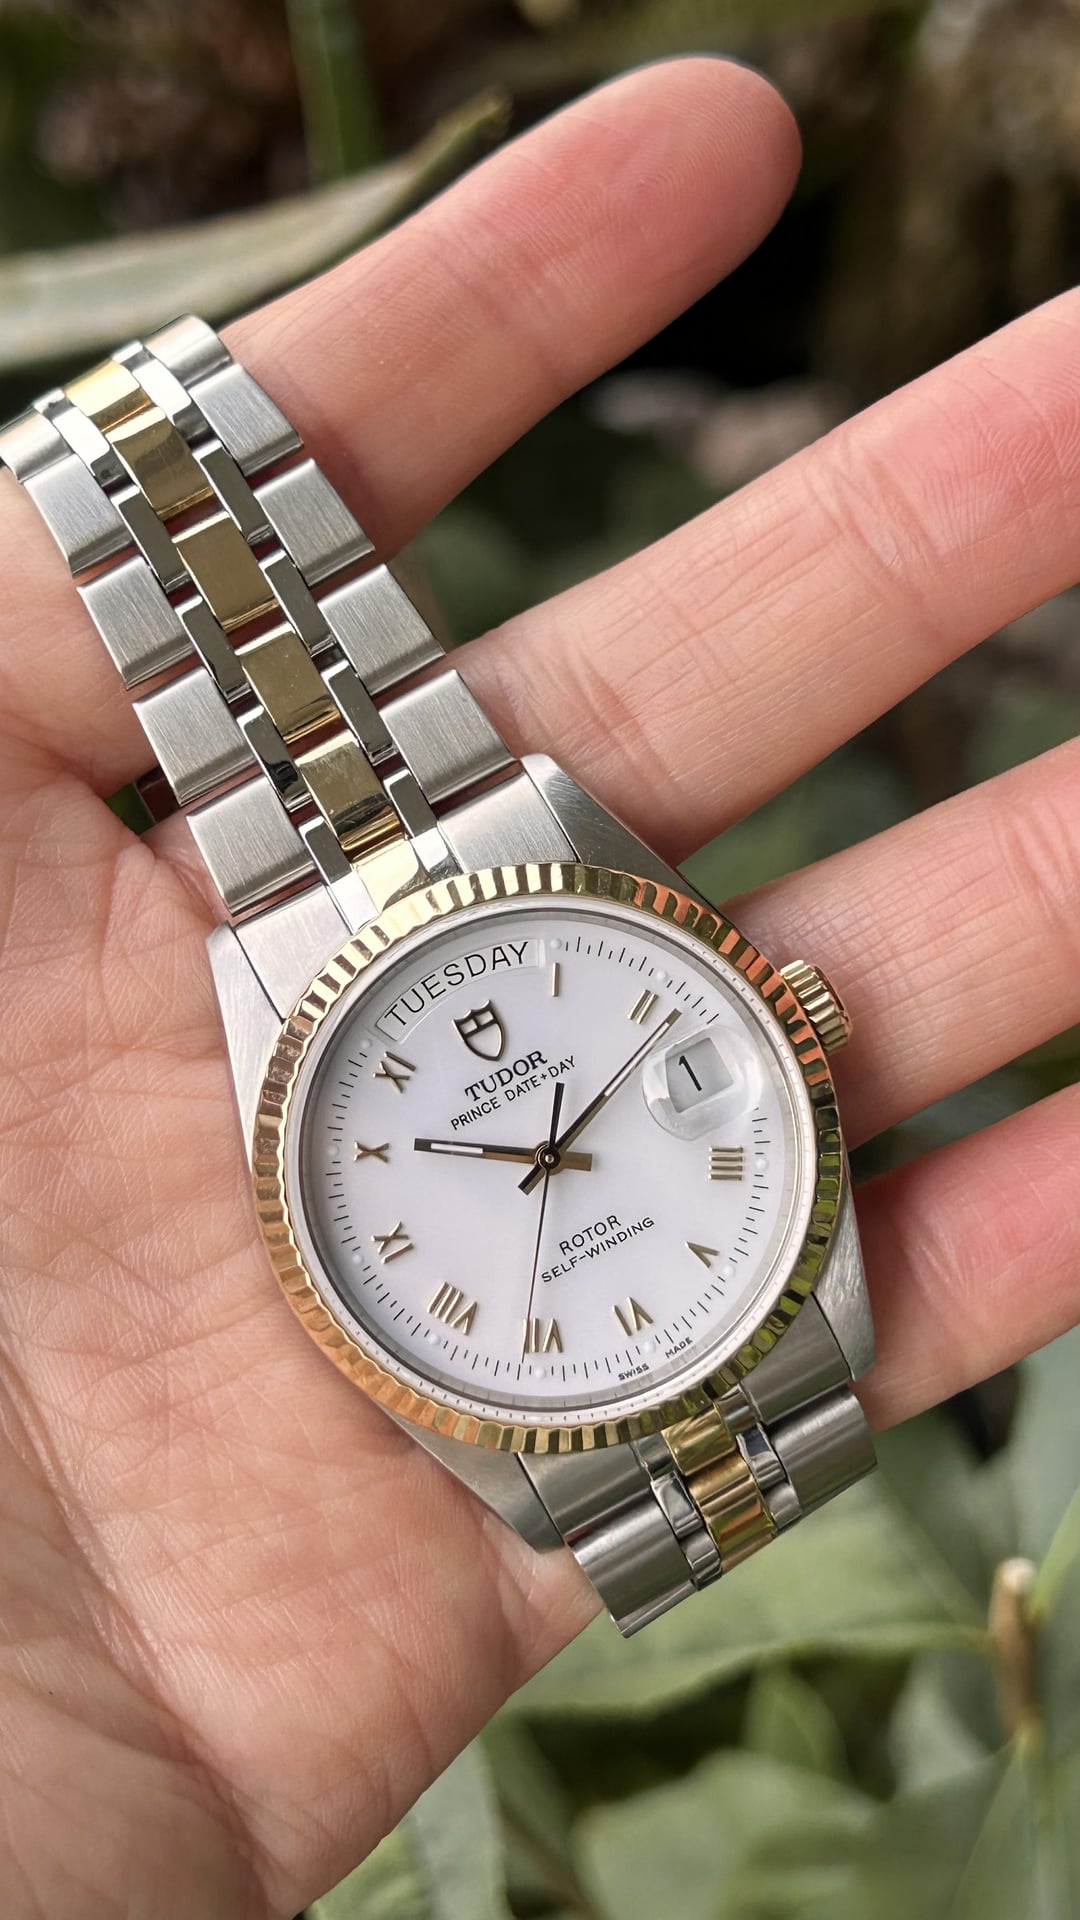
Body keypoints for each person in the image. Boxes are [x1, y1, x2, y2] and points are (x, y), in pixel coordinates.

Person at [1, 55, 1077, 1919]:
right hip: (578, 1252)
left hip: (584, 1142)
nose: (545, 1158)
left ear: (781, 1013)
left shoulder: (520, 945)